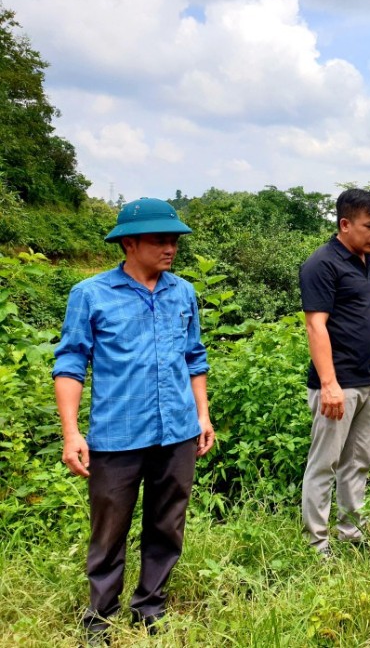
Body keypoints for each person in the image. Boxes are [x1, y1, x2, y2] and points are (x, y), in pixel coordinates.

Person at [53, 198, 215, 641]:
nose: (170, 248)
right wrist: (72, 433)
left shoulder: (182, 292)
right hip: (116, 437)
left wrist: (202, 415)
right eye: (160, 240)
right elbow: (70, 364)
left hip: (178, 432)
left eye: (174, 240)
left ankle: (150, 607)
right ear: (129, 243)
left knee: (167, 524)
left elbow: (194, 357)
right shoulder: (90, 294)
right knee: (109, 532)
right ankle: (100, 619)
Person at [299, 188, 370, 556]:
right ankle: (316, 543)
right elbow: (316, 327)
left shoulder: (368, 258)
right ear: (345, 224)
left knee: (358, 462)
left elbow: (363, 313)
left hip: (369, 380)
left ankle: (351, 532)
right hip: (337, 386)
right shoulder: (321, 264)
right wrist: (329, 383)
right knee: (325, 465)